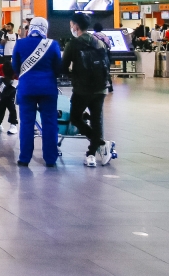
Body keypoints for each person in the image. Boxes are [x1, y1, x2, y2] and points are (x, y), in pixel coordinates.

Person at [62, 13, 113, 167]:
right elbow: (107, 64)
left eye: (71, 25)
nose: (71, 27)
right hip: (100, 89)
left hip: (82, 90)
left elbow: (63, 67)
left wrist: (73, 76)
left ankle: (101, 144)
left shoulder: (73, 44)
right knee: (96, 120)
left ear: (76, 26)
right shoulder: (99, 42)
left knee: (76, 118)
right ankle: (91, 153)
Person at [12, 17, 62, 167]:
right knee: (50, 123)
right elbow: (58, 68)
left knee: (27, 123)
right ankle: (50, 159)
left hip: (26, 88)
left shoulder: (20, 44)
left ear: (30, 27)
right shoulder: (53, 44)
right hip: (48, 89)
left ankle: (25, 158)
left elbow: (15, 67)